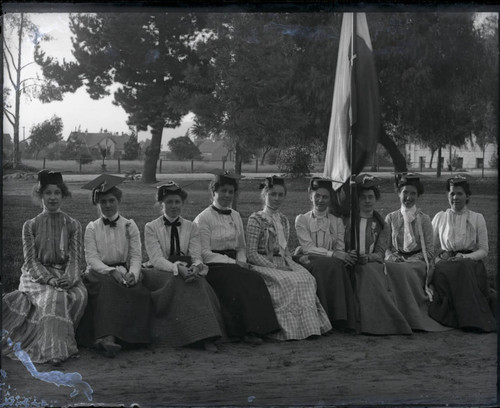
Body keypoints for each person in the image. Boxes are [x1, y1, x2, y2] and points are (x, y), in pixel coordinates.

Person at [2, 170, 87, 366]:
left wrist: (70, 278)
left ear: (63, 195)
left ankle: (65, 340)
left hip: (64, 273)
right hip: (36, 275)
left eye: (57, 193)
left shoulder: (73, 224)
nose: (53, 198)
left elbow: (75, 259)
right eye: (48, 193)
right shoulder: (30, 225)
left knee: (79, 296)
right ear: (40, 195)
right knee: (54, 297)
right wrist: (49, 279)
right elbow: (31, 261)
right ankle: (53, 350)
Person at [193, 171, 280, 344]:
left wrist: (241, 261)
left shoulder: (235, 215)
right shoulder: (203, 219)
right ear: (213, 192)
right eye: (223, 191)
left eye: (231, 192)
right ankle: (242, 332)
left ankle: (261, 329)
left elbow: (241, 246)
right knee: (236, 280)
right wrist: (234, 263)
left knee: (255, 279)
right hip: (214, 264)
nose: (227, 195)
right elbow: (204, 253)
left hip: (235, 262)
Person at [142, 181, 225, 352]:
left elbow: (196, 254)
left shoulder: (191, 227)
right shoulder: (151, 227)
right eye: (169, 202)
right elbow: (157, 259)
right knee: (178, 282)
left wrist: (196, 266)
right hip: (159, 271)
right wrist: (177, 268)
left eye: (177, 202)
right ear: (161, 204)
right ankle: (185, 336)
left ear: (182, 203)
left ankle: (207, 334)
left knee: (199, 283)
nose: (173, 206)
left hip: (185, 269)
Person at [246, 176, 332, 340]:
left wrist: (292, 263)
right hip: (263, 263)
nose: (277, 198)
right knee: (287, 281)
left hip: (282, 262)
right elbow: (251, 254)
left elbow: (284, 251)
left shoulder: (284, 220)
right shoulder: (256, 219)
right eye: (272, 194)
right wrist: (276, 267)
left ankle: (309, 328)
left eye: (280, 195)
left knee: (306, 278)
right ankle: (289, 331)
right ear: (265, 195)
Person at [77, 174, 151, 357]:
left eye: (111, 200)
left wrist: (133, 273)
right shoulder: (92, 227)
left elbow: (135, 255)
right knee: (108, 286)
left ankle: (129, 339)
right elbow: (92, 259)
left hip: (122, 270)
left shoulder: (129, 225)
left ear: (118, 201)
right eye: (103, 202)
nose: (108, 205)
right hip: (97, 271)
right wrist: (110, 272)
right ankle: (107, 338)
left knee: (138, 290)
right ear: (98, 204)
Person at [429, 175, 496, 332]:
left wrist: (465, 257)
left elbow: (484, 250)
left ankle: (473, 320)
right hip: (446, 263)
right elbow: (430, 247)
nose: (455, 197)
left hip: (469, 263)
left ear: (467, 196)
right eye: (452, 193)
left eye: (459, 194)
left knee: (463, 266)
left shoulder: (477, 218)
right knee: (450, 269)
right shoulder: (440, 217)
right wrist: (439, 258)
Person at [384, 173, 447, 332]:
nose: (409, 197)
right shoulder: (391, 218)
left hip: (419, 260)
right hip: (397, 259)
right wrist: (391, 256)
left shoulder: (424, 219)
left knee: (403, 270)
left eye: (413, 193)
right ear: (399, 193)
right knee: (389, 268)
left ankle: (411, 315)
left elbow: (430, 250)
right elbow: (384, 246)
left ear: (418, 195)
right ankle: (393, 314)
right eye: (405, 192)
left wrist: (411, 260)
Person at [350, 174, 412, 335]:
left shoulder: (381, 225)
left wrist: (368, 257)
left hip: (371, 263)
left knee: (369, 273)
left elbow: (380, 252)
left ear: (376, 199)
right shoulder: (349, 221)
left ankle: (378, 322)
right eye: (363, 197)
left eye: (371, 197)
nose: (367, 201)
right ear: (357, 200)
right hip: (350, 261)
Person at [294, 177, 356, 331]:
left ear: (331, 198)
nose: (320, 200)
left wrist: (343, 254)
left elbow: (340, 248)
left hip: (331, 261)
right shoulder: (302, 220)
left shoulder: (336, 222)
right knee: (329, 265)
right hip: (307, 258)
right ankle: (323, 318)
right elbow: (307, 247)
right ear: (310, 195)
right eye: (317, 196)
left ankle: (340, 317)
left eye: (325, 197)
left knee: (339, 265)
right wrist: (333, 254)